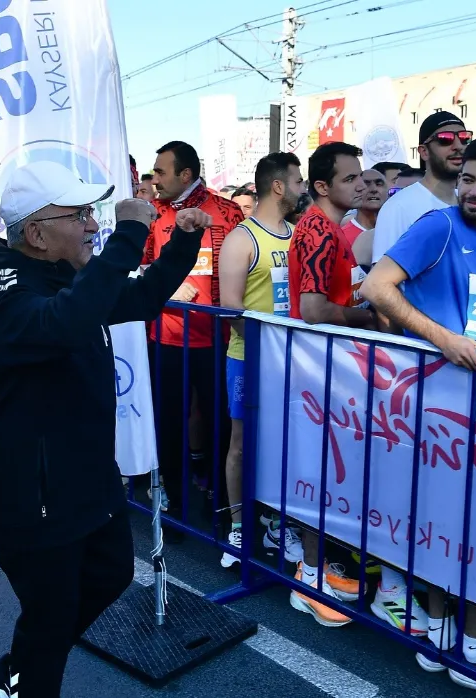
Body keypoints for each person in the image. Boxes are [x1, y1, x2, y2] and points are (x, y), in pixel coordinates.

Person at [0, 161, 206, 698]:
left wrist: (183, 245)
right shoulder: (1, 289)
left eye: (93, 214)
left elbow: (139, 299)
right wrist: (130, 231)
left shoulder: (71, 277)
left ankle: (19, 664)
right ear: (35, 232)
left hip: (86, 471)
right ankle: (28, 673)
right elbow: (66, 320)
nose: (93, 224)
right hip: (33, 487)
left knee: (112, 573)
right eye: (79, 215)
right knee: (52, 616)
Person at [363, 136, 476, 696]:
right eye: (468, 178)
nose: (474, 191)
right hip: (430, 402)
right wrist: (443, 340)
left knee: (455, 525)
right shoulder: (437, 226)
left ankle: (447, 640)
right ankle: (459, 645)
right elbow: (376, 287)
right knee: (450, 522)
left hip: (474, 405)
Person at [286, 141, 379, 629]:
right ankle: (309, 578)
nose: (360, 184)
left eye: (361, 176)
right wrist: (370, 317)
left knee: (329, 473)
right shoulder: (320, 231)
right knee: (318, 473)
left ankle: (317, 568)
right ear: (322, 186)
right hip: (321, 369)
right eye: (350, 179)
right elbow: (315, 310)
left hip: (332, 368)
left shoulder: (331, 229)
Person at [145, 140, 244, 530]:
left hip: (217, 340)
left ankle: (222, 504)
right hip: (166, 338)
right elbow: (135, 268)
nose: (154, 180)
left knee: (221, 424)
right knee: (169, 424)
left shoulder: (227, 211)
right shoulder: (151, 214)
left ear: (185, 174)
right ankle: (175, 503)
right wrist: (165, 288)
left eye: (160, 172)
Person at [217, 152, 305, 568]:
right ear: (278, 186)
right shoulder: (242, 239)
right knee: (241, 445)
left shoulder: (299, 235)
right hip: (249, 361)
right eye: (299, 181)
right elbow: (231, 310)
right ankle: (238, 525)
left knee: (287, 445)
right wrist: (268, 350)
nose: (303, 188)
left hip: (295, 365)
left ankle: (277, 522)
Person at [371, 111, 469, 263]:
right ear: (424, 152)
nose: (458, 146)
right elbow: (378, 282)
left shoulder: (469, 202)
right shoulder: (398, 207)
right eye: (445, 139)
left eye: (464, 138)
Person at [342, 167, 385, 248]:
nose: (374, 189)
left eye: (379, 184)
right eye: (366, 184)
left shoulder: (399, 234)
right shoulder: (341, 238)